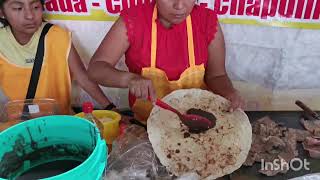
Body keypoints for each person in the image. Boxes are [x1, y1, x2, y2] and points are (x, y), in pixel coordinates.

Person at [88, 0, 245, 121]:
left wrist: (228, 92)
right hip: (147, 123)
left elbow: (216, 75)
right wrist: (129, 79)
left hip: (198, 120)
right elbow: (96, 69)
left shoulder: (207, 20)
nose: (179, 6)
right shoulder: (134, 20)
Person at [0, 0, 115, 116]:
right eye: (18, 8)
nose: (29, 16)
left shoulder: (57, 36)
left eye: (35, 7)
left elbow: (83, 78)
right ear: (2, 12)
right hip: (17, 126)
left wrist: (110, 107)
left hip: (59, 121)